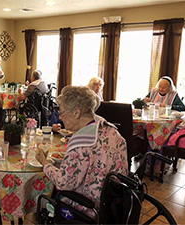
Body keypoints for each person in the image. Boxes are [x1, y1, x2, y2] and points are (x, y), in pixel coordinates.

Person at [35, 86, 129, 216]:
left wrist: (45, 163)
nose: (60, 117)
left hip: (87, 209)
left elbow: (64, 183)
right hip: (114, 206)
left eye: (62, 112)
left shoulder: (81, 145)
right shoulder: (112, 132)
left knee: (44, 201)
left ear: (76, 113)